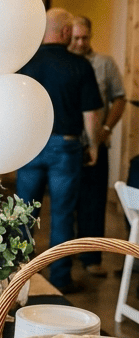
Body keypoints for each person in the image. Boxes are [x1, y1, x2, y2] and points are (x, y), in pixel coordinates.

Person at [16, 8, 103, 294]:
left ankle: (18, 274)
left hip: (29, 145)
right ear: (66, 33)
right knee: (63, 214)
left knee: (23, 214)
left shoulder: (24, 63)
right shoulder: (80, 65)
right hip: (65, 147)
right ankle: (60, 278)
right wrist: (94, 145)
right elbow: (91, 113)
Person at [69, 16, 126, 276]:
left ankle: (92, 258)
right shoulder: (64, 63)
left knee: (94, 203)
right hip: (68, 145)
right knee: (66, 204)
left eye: (85, 38)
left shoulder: (104, 63)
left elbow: (119, 98)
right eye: (76, 37)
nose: (81, 42)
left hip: (96, 144)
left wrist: (105, 129)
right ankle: (64, 257)